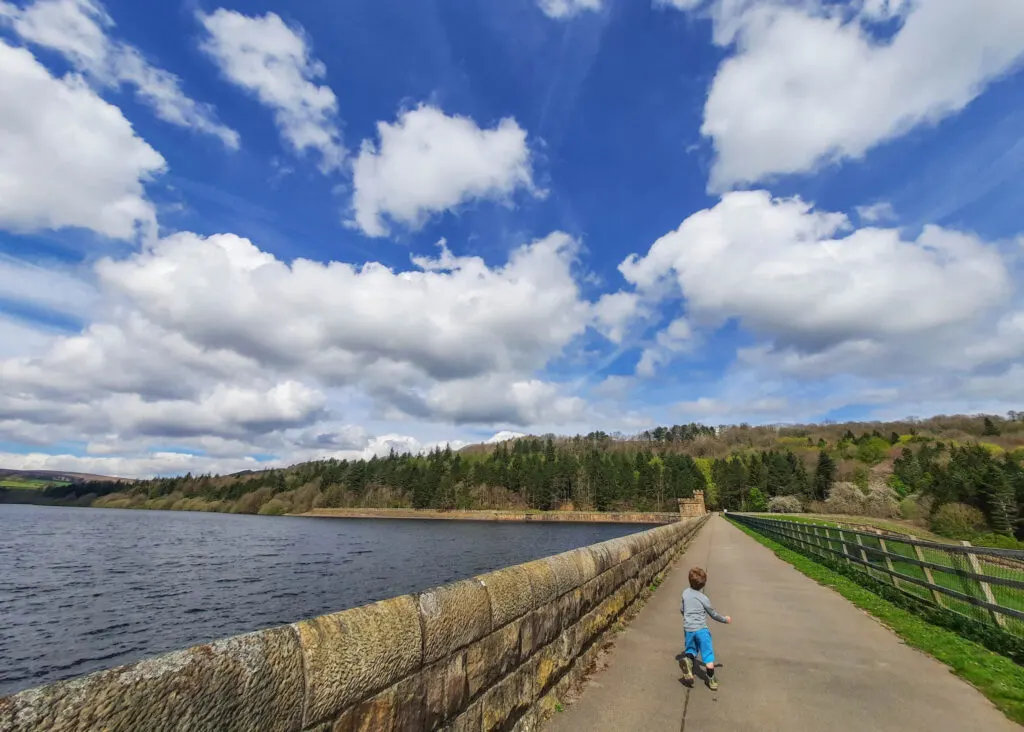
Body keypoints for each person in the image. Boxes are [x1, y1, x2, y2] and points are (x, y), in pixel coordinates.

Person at [679, 566, 731, 690]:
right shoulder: (704, 598)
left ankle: (688, 661)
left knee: (691, 650)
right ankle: (711, 679)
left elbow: (682, 609)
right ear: (703, 584)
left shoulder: (685, 593)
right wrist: (725, 619)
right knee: (708, 655)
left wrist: (687, 617)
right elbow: (713, 614)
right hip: (701, 629)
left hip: (688, 628)